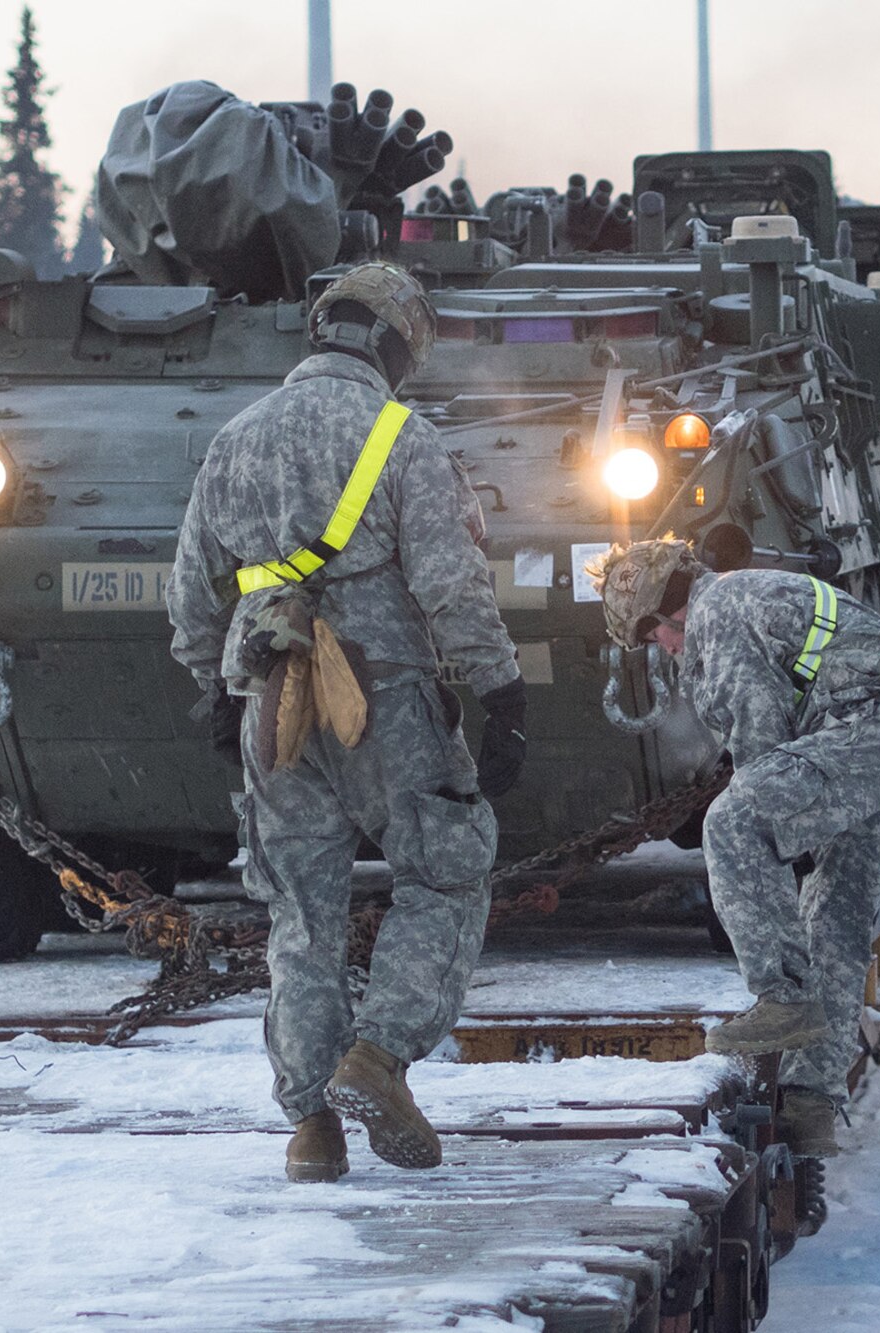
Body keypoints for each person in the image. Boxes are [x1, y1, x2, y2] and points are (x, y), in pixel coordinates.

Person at [168, 261, 527, 1182]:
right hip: (385, 702)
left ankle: (310, 1126)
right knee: (445, 869)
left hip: (269, 704)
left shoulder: (234, 441)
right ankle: (380, 1054)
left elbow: (190, 594)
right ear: (396, 347)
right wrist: (501, 692)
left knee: (300, 912)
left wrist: (217, 689)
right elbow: (450, 582)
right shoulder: (401, 437)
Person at [588, 538, 880, 1157]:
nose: (663, 651)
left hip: (869, 734)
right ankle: (812, 1100)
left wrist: (776, 838)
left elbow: (759, 734)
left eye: (653, 639)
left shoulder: (716, 611)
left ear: (663, 612)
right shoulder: (753, 590)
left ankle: (781, 997)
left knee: (731, 823)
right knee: (833, 912)